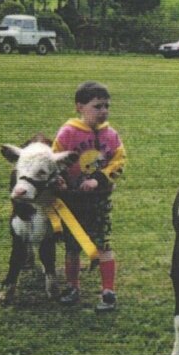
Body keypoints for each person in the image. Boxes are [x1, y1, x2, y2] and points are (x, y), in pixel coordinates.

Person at [52, 81, 127, 312]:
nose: (103, 111)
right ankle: (73, 287)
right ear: (79, 107)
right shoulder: (68, 132)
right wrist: (60, 180)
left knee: (102, 243)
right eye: (97, 106)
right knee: (73, 245)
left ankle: (108, 291)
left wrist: (99, 179)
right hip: (73, 200)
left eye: (106, 106)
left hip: (98, 200)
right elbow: (54, 159)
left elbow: (119, 161)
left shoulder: (111, 135)